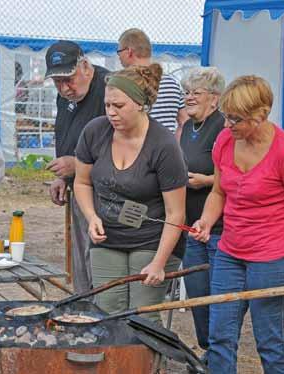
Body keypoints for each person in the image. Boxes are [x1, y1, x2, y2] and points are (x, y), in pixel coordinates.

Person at [190, 75, 284, 373]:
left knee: (269, 341)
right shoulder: (225, 140)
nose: (226, 125)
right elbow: (219, 191)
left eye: (234, 119)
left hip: (273, 257)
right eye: (225, 116)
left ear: (260, 116)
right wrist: (207, 221)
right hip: (230, 251)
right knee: (219, 336)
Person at [74, 64, 188, 323]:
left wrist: (159, 262)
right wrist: (91, 216)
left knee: (142, 315)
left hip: (152, 240)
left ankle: (147, 363)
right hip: (109, 238)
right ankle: (114, 362)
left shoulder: (164, 145)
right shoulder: (95, 132)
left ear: (140, 104)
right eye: (107, 105)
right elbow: (82, 182)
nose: (111, 113)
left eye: (119, 106)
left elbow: (176, 212)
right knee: (108, 309)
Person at [45, 40, 109, 293]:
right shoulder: (65, 95)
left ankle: (104, 311)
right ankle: (83, 307)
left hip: (107, 191)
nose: (64, 88)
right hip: (80, 187)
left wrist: (78, 165)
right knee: (81, 257)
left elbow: (125, 148)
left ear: (85, 66)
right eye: (57, 82)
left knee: (100, 255)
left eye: (68, 79)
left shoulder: (108, 89)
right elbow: (66, 133)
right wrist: (63, 176)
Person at [179, 67, 225, 355]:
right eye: (187, 92)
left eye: (197, 92)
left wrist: (206, 181)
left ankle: (219, 353)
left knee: (217, 295)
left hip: (220, 229)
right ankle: (207, 349)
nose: (189, 97)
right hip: (190, 226)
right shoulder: (186, 128)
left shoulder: (223, 128)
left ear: (214, 99)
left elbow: (233, 174)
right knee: (196, 292)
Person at [117, 28, 189, 137]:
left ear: (129, 51)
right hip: (167, 149)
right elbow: (184, 122)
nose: (118, 56)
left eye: (119, 51)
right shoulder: (172, 83)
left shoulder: (126, 84)